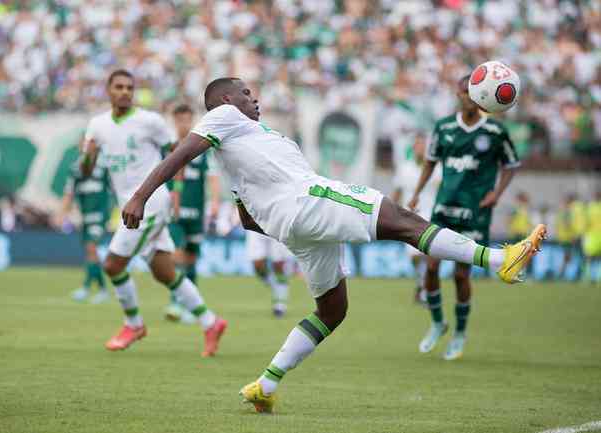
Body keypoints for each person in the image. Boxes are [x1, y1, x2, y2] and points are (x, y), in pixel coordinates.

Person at [122, 77, 546, 413]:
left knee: (333, 310)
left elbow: (247, 220)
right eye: (246, 92)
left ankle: (265, 386)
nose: (254, 98)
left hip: (295, 226)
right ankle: (497, 259)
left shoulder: (248, 147)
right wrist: (141, 195)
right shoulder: (223, 118)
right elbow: (183, 152)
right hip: (308, 201)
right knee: (404, 220)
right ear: (226, 99)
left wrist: (289, 228)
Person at [80, 69, 226, 356]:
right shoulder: (97, 125)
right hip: (129, 206)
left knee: (112, 265)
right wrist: (87, 157)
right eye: (118, 87)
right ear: (108, 90)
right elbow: (86, 170)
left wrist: (175, 192)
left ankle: (133, 324)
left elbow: (178, 153)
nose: (124, 91)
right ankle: (211, 322)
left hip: (150, 203)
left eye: (129, 87)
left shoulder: (150, 121)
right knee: (164, 272)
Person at [408, 75, 522, 362]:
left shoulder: (495, 131)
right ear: (459, 94)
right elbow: (430, 163)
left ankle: (459, 333)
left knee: (461, 274)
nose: (468, 97)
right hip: (444, 207)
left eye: (472, 93)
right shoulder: (443, 127)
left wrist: (496, 193)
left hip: (475, 212)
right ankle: (437, 323)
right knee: (431, 268)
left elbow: (512, 164)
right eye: (464, 92)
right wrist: (417, 193)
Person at [162, 104, 222, 323]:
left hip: (196, 211)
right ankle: (175, 301)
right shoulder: (168, 147)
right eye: (180, 120)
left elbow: (213, 177)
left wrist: (215, 202)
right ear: (174, 121)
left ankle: (192, 305)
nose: (184, 124)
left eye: (187, 119)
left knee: (191, 258)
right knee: (176, 254)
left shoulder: (203, 147)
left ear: (192, 120)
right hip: (174, 211)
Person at [391, 133, 440, 305]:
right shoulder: (404, 168)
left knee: (428, 255)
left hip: (430, 215)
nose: (421, 148)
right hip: (409, 216)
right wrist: (391, 212)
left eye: (424, 145)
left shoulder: (437, 168)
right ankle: (421, 283)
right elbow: (396, 191)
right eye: (418, 145)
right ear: (413, 148)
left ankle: (427, 291)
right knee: (414, 256)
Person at [57, 161, 111, 304]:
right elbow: (69, 193)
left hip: (99, 217)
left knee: (91, 248)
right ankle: (101, 290)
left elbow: (114, 189)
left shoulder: (103, 167)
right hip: (84, 218)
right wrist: (62, 214)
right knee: (90, 253)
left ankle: (88, 288)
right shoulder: (76, 169)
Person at [246, 230, 292, 317]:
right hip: (255, 224)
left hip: (276, 223)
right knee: (257, 264)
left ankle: (280, 304)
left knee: (278, 264)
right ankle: (277, 287)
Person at [583, 191, 601, 285]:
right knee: (595, 257)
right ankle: (593, 277)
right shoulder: (590, 207)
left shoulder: (589, 207)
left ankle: (589, 277)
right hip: (593, 235)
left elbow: (585, 221)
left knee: (590, 257)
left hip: (592, 235)